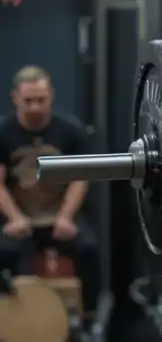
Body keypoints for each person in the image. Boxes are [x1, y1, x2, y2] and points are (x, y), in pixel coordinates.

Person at [0, 66, 100, 321]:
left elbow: (80, 178)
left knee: (89, 250)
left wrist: (65, 217)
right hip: (22, 216)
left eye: (40, 100)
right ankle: (17, 323)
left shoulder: (70, 130)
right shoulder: (4, 132)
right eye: (28, 101)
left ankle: (88, 319)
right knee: (7, 252)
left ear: (51, 97)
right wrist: (14, 218)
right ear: (15, 98)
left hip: (58, 215)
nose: (35, 107)